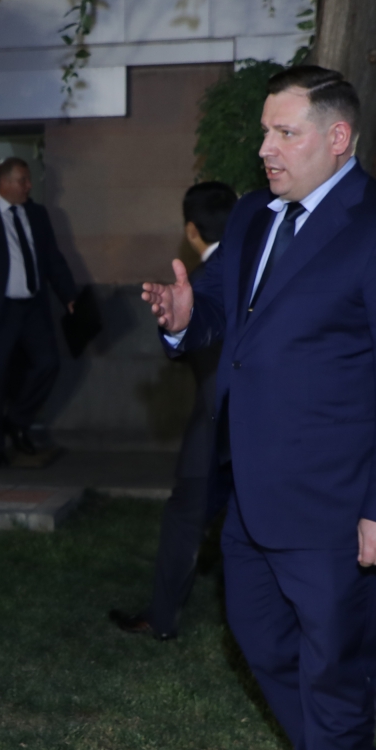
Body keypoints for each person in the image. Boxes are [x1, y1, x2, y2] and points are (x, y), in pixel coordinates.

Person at [141, 66, 376, 750]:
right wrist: (183, 319)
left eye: (286, 133)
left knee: (333, 669)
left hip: (340, 501)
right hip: (252, 490)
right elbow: (216, 311)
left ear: (338, 138)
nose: (266, 149)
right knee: (262, 643)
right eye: (265, 133)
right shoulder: (253, 214)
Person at [111, 180, 237, 640]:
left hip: (218, 423)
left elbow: (187, 349)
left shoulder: (203, 281)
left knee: (186, 515)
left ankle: (162, 618)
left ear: (191, 229)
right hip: (251, 424)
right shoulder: (256, 265)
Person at [0, 157, 79, 465]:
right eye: (23, 180)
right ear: (4, 183)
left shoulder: (37, 214)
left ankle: (18, 420)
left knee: (49, 363)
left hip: (32, 306)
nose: (28, 186)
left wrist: (69, 296)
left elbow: (53, 259)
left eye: (28, 180)